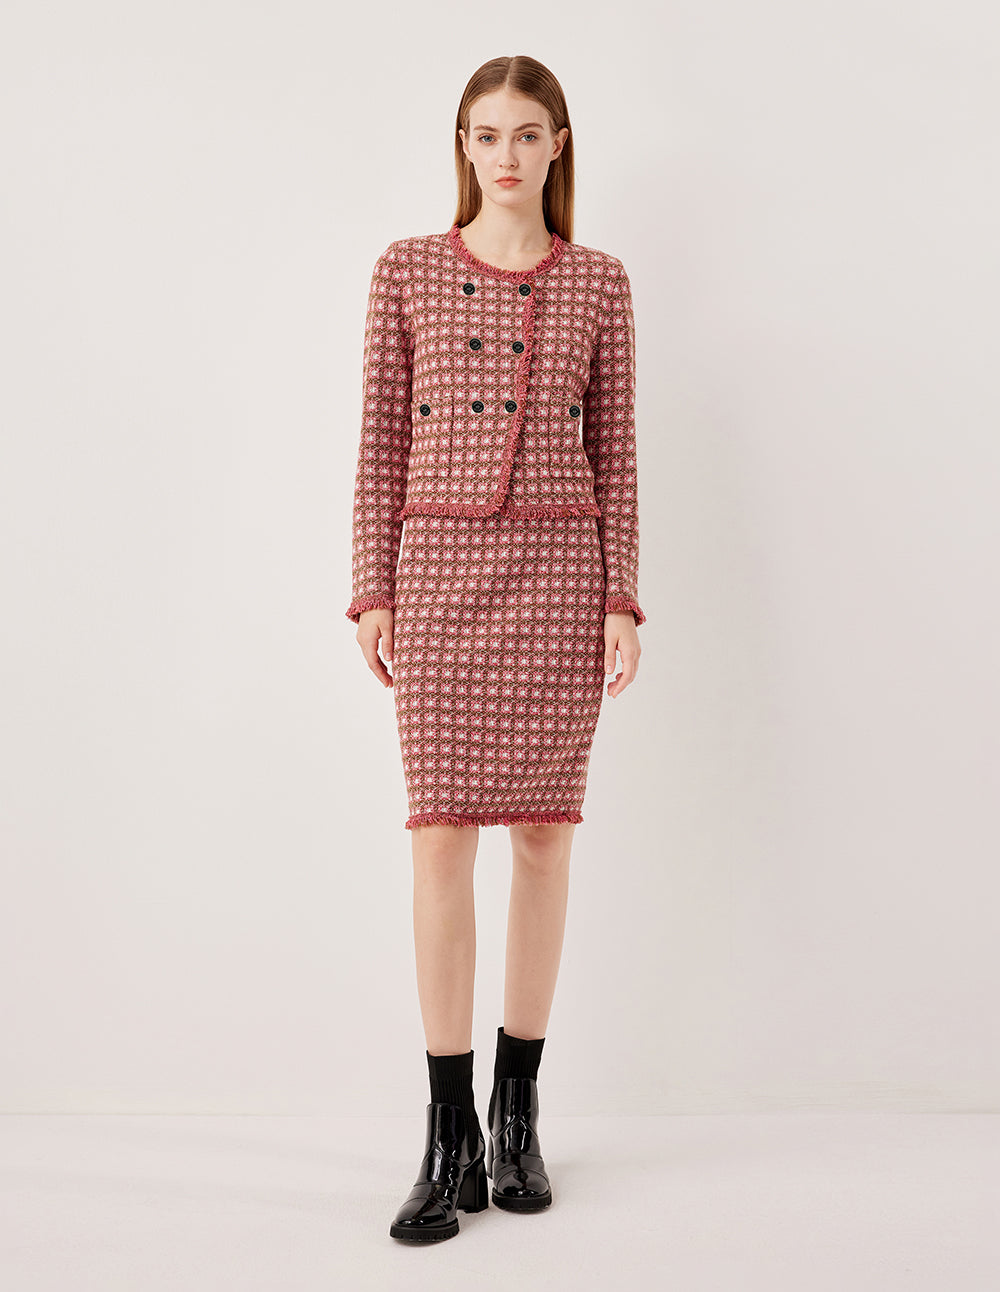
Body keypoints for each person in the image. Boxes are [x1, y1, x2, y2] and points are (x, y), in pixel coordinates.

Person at [345, 54, 645, 1243]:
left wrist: (621, 596)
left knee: (542, 836)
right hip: (440, 573)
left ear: (557, 144)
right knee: (438, 840)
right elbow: (378, 440)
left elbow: (617, 448)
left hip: (560, 572)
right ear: (462, 146)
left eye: (525, 134)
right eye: (484, 135)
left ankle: (517, 1113)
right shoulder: (406, 269)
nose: (504, 155)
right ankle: (447, 1129)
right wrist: (372, 588)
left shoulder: (600, 281)